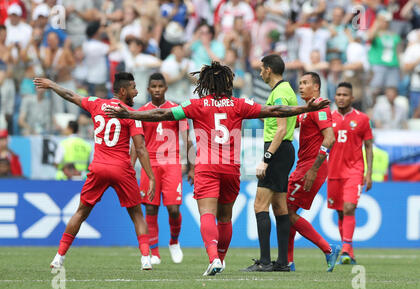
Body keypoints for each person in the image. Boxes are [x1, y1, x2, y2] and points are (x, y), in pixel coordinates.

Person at [105, 61, 330, 276]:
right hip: (231, 168)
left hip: (207, 167)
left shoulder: (196, 105)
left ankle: (213, 258)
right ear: (227, 84)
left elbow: (160, 113)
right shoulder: (240, 104)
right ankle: (221, 259)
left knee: (207, 214)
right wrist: (302, 108)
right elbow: (276, 111)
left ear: (206, 85)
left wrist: (131, 114)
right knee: (225, 218)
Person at [34, 72, 156, 271]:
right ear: (123, 91)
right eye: (133, 88)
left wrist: (51, 84)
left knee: (81, 212)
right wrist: (150, 177)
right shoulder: (131, 115)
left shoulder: (95, 103)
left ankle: (59, 257)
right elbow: (140, 149)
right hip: (121, 169)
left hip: (98, 167)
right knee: (137, 215)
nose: (137, 91)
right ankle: (145, 259)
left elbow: (70, 94)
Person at [243, 54, 297, 272]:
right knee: (279, 206)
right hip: (284, 150)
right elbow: (276, 122)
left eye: (261, 69)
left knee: (259, 205)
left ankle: (265, 262)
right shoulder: (281, 92)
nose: (260, 73)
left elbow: (281, 129)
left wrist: (266, 159)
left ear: (269, 69)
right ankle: (282, 262)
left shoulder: (280, 93)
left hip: (276, 150)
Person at [135, 72, 194, 265]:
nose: (157, 90)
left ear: (166, 88)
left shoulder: (177, 110)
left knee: (173, 209)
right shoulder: (142, 112)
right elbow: (137, 143)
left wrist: (192, 166)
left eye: (161, 86)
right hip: (149, 163)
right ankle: (154, 252)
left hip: (171, 162)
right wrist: (129, 167)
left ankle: (174, 241)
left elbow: (187, 139)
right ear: (148, 89)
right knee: (151, 209)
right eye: (154, 87)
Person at [286, 72, 340, 272]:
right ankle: (288, 261)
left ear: (316, 86)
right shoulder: (308, 109)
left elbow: (330, 139)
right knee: (289, 210)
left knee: (286, 211)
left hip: (311, 168)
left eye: (305, 83)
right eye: (299, 83)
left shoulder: (320, 107)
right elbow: (293, 120)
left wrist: (313, 169)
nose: (300, 86)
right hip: (303, 166)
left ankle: (328, 249)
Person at [328, 82, 373, 265]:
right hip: (334, 172)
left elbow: (369, 147)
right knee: (340, 212)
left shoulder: (362, 119)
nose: (341, 97)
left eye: (345, 95)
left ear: (352, 98)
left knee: (349, 208)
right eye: (338, 94)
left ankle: (345, 248)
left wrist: (368, 174)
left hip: (354, 171)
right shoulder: (329, 119)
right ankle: (349, 252)